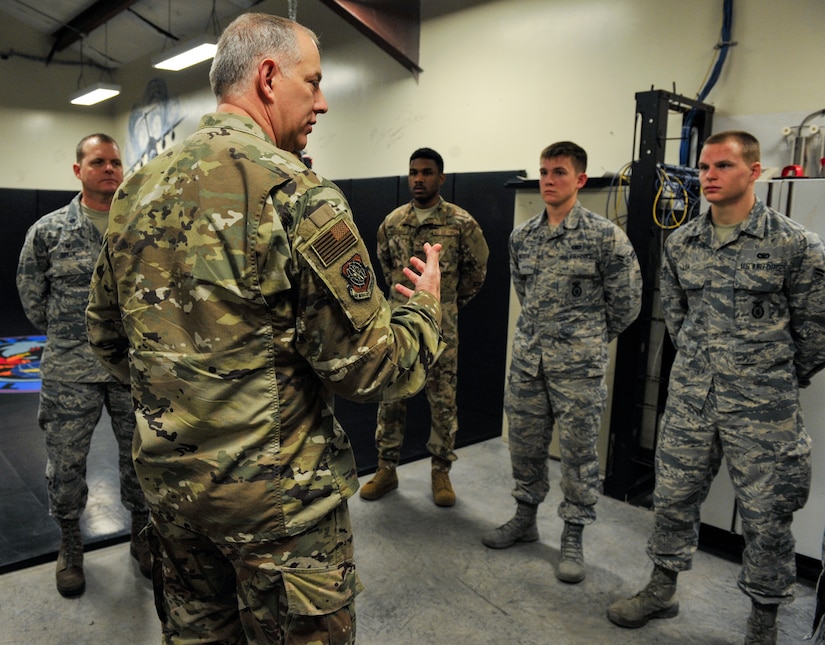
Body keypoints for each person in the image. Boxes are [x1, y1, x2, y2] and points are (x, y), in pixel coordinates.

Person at [85, 13, 444, 645]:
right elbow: (375, 368)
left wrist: (188, 404)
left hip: (175, 501)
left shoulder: (135, 191)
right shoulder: (296, 194)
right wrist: (424, 309)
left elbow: (110, 339)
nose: (324, 102)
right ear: (270, 77)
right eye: (315, 82)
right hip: (279, 516)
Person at [607, 130, 825, 644]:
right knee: (673, 499)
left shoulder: (795, 244)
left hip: (764, 408)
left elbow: (816, 331)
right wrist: (705, 368)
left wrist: (769, 377)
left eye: (723, 166)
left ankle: (763, 622)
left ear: (754, 172)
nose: (709, 176)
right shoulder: (683, 242)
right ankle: (661, 590)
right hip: (691, 402)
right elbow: (676, 315)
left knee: (767, 516)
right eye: (705, 167)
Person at [482, 141, 642, 584]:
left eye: (558, 172)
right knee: (527, 446)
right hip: (529, 364)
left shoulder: (604, 237)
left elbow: (627, 303)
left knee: (578, 456)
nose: (548, 180)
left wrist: (587, 338)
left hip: (579, 370)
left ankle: (573, 534)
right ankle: (525, 518)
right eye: (544, 172)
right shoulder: (523, 236)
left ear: (580, 180)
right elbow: (525, 294)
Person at [16, 133, 150, 597]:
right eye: (98, 162)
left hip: (130, 369)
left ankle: (142, 535)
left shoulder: (141, 227)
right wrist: (72, 338)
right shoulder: (49, 231)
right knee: (66, 465)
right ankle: (70, 545)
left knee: (141, 458)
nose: (109, 169)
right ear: (79, 170)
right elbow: (32, 298)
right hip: (69, 371)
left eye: (115, 161)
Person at [360, 147, 489, 507]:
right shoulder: (393, 222)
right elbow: (385, 267)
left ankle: (440, 471)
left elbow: (476, 272)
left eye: (427, 172)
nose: (419, 178)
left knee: (443, 402)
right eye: (414, 171)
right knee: (391, 400)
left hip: (441, 332)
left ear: (441, 178)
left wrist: (446, 304)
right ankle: (386, 468)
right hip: (399, 328)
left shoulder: (461, 223)